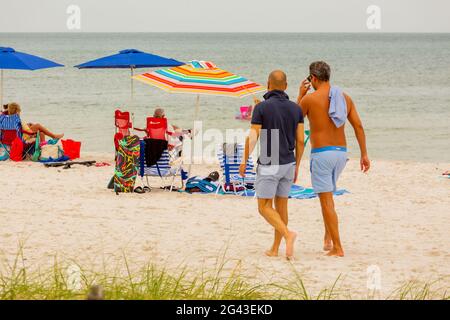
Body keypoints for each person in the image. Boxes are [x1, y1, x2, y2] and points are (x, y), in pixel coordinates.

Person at [297, 61, 370, 257]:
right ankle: (328, 238)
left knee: (326, 202)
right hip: (341, 154)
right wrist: (364, 154)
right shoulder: (344, 98)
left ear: (313, 78)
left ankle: (337, 247)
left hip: (322, 154)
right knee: (327, 198)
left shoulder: (309, 100)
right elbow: (359, 127)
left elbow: (293, 119)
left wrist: (300, 96)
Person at [240, 70, 305, 260]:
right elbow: (300, 141)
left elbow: (253, 136)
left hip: (270, 161)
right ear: (285, 86)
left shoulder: (262, 108)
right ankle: (276, 249)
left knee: (264, 207)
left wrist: (244, 160)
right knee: (281, 207)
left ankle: (288, 234)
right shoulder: (296, 109)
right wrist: (297, 165)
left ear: (268, 84)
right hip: (289, 162)